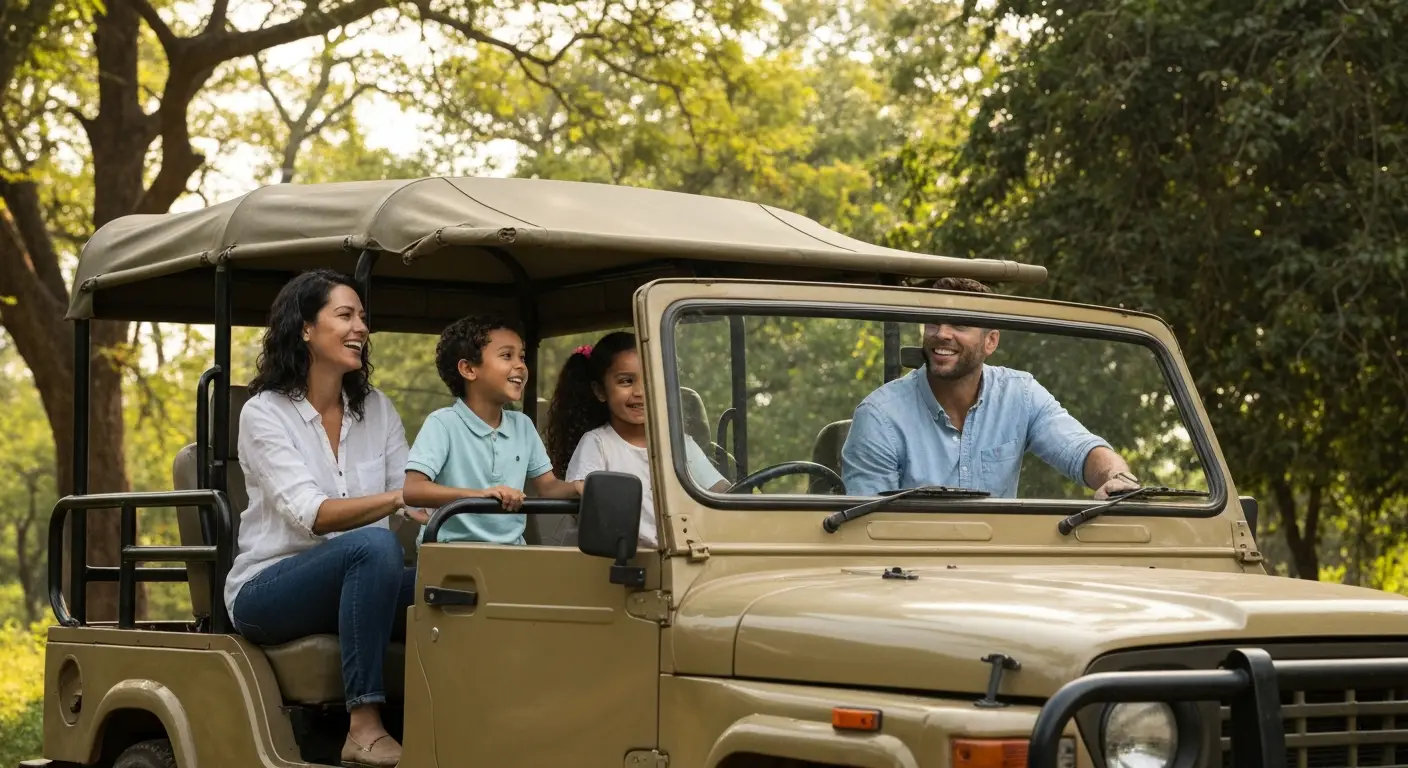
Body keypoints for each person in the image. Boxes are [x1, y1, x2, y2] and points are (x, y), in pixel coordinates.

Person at [224, 269, 422, 768]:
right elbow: (314, 515)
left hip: (362, 578)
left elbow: (416, 495)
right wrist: (399, 498)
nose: (361, 327)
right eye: (345, 315)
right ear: (305, 329)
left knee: (457, 586)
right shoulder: (264, 413)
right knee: (375, 547)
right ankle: (364, 727)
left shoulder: (377, 408)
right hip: (269, 590)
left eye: (363, 316)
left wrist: (469, 493)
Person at [840, 277, 1141, 500]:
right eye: (932, 323)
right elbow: (868, 529)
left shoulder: (1020, 394)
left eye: (959, 324)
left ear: (991, 341)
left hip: (997, 570)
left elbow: (1080, 450)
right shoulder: (880, 416)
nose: (941, 334)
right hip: (908, 574)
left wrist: (1117, 477)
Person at [545, 331, 730, 549]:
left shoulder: (680, 445)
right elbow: (588, 505)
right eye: (626, 381)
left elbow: (721, 492)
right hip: (625, 562)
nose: (640, 391)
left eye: (649, 380)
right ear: (600, 391)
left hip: (686, 555)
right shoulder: (597, 444)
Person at [402, 315, 578, 543]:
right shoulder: (443, 424)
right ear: (468, 369)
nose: (520, 366)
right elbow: (413, 491)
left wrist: (579, 487)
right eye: (507, 356)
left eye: (522, 357)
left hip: (511, 554)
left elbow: (550, 488)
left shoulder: (522, 425)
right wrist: (479, 496)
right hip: (451, 553)